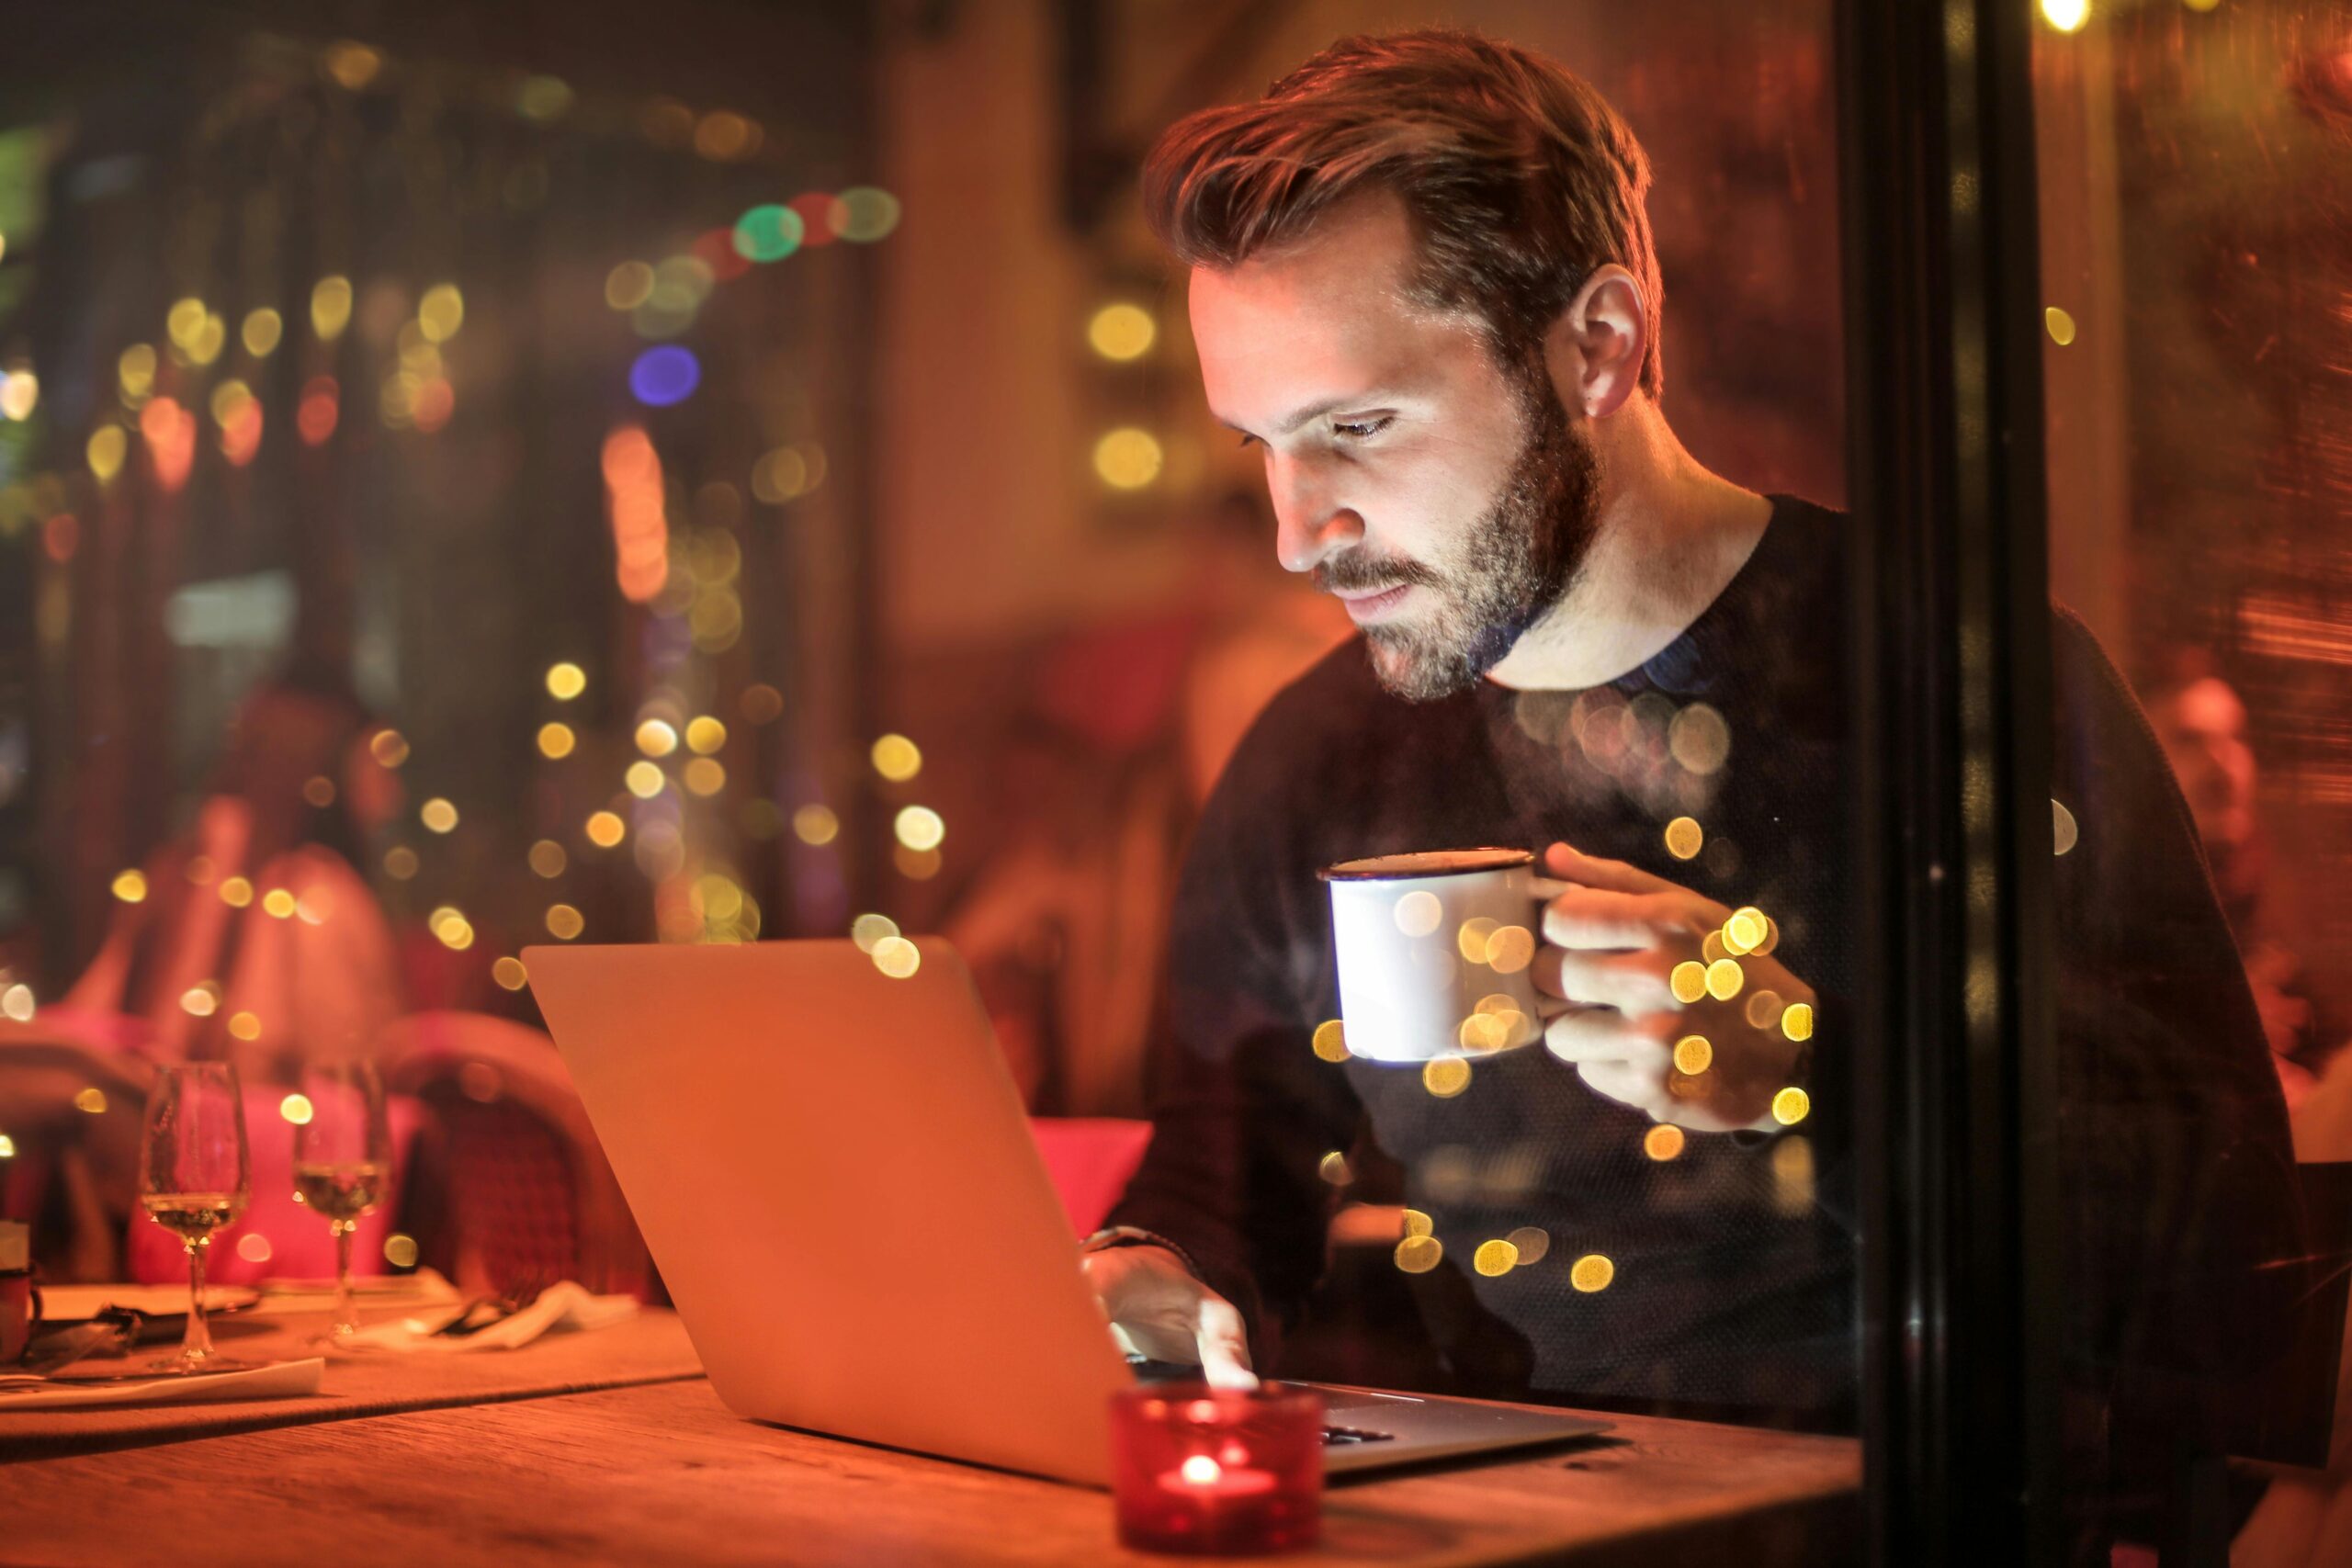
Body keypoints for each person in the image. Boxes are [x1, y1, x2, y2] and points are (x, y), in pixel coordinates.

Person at [1076, 28, 2300, 1551]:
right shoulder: (1319, 751)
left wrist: (1806, 1079)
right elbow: (1226, 1167)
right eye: (1260, 445)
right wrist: (1147, 1269)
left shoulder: (1961, 686)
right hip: (1514, 1533)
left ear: (1598, 344)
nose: (1297, 530)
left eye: (1358, 427)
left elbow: (2219, 1262)